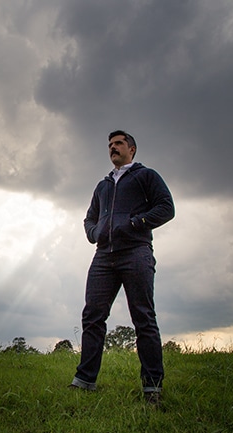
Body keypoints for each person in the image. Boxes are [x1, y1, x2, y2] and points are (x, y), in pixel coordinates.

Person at [70, 130, 175, 407]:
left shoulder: (145, 176)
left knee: (143, 318)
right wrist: (95, 232)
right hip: (103, 256)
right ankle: (84, 381)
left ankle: (152, 388)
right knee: (92, 317)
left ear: (132, 149)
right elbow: (89, 218)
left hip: (136, 253)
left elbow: (166, 207)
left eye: (118, 144)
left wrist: (133, 223)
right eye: (109, 145)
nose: (112, 148)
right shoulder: (103, 185)